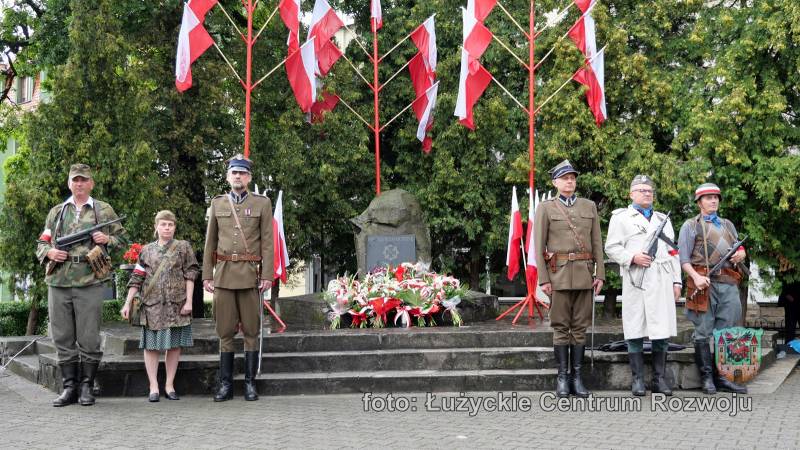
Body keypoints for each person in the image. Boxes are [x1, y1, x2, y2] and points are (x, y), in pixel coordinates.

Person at [36, 163, 127, 407]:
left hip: (90, 280)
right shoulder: (57, 212)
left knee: (88, 337)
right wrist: (50, 253)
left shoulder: (103, 211)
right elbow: (42, 243)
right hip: (59, 280)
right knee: (63, 336)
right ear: (69, 183)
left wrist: (107, 238)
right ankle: (69, 388)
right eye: (75, 180)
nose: (79, 184)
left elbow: (123, 240)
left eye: (84, 180)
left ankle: (87, 386)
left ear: (91, 183)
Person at [203, 154, 273, 402]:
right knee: (225, 332)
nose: (238, 177)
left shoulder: (262, 204)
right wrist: (206, 275)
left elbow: (267, 242)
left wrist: (267, 275)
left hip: (249, 276)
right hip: (222, 275)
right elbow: (210, 241)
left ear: (249, 177)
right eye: (234, 173)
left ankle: (250, 384)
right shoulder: (217, 203)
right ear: (228, 176)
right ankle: (225, 385)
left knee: (252, 331)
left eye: (242, 173)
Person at [605, 175, 682, 396]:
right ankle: (637, 379)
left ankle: (659, 379)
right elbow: (611, 247)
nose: (646, 193)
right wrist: (632, 257)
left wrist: (677, 281)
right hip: (635, 278)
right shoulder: (621, 218)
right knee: (635, 328)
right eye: (640, 190)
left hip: (661, 278)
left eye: (649, 190)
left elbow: (673, 252)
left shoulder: (662, 219)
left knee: (661, 329)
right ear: (631, 194)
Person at [534, 159, 605, 398]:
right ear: (555, 182)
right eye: (565, 178)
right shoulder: (546, 208)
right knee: (561, 328)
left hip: (585, 275)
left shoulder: (589, 207)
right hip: (558, 276)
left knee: (580, 329)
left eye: (573, 178)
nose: (570, 182)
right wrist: (544, 279)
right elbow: (538, 246)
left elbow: (597, 243)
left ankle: (577, 377)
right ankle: (562, 378)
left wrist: (600, 274)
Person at [120, 210, 199, 402]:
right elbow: (137, 278)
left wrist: (189, 301)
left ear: (174, 227)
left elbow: (191, 274)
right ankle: (153, 386)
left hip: (176, 305)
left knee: (174, 346)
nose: (167, 228)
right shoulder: (146, 250)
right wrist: (127, 302)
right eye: (163, 224)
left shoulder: (183, 247)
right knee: (151, 347)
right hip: (152, 306)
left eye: (170, 225)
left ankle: (169, 385)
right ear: (156, 227)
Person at [678, 182, 748, 394]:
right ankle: (707, 378)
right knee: (703, 331)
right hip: (703, 284)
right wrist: (695, 277)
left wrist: (741, 254)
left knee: (726, 332)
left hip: (728, 283)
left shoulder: (728, 225)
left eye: (716, 197)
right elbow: (683, 259)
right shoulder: (690, 226)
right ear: (699, 202)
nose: (713, 201)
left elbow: (738, 247)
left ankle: (723, 378)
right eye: (708, 198)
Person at [778, 278, 800, 352]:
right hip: (791, 304)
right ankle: (788, 348)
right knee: (790, 327)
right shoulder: (788, 271)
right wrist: (787, 295)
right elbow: (783, 286)